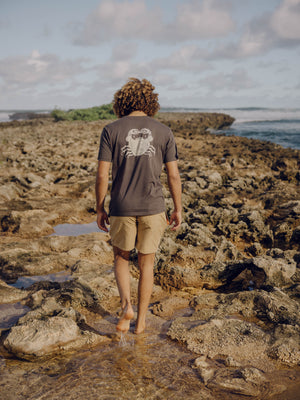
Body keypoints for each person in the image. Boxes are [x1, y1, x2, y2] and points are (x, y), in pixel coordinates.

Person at [95, 77, 182, 334]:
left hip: (121, 206)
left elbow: (101, 175)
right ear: (151, 102)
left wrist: (100, 207)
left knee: (121, 258)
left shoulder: (111, 130)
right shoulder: (164, 131)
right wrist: (178, 208)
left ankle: (126, 307)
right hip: (154, 207)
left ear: (122, 101)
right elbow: (173, 175)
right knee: (147, 263)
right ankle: (141, 323)